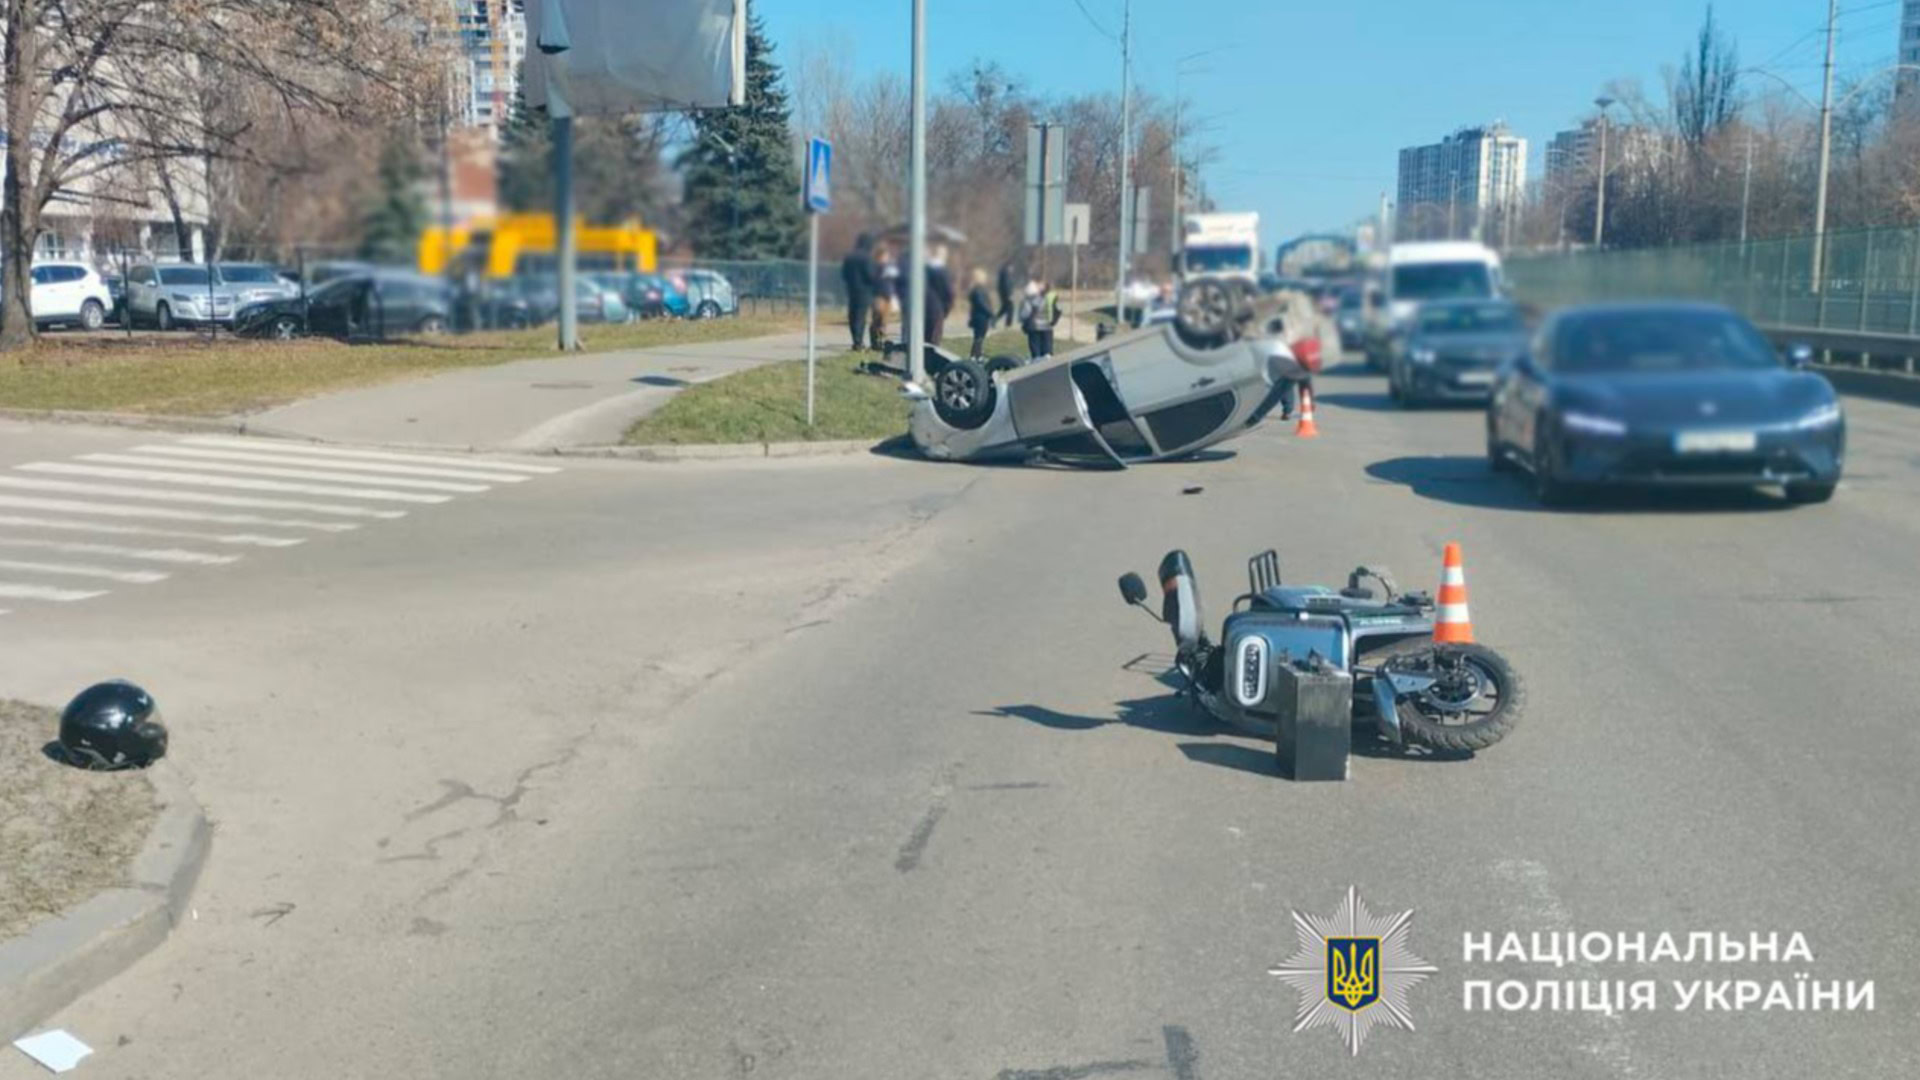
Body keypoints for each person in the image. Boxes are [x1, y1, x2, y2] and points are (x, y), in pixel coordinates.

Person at [840, 233, 878, 351]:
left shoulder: (849, 257)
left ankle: (855, 340)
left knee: (852, 315)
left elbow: (844, 274)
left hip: (851, 289)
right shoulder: (867, 258)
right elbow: (870, 275)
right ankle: (859, 342)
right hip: (865, 291)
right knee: (861, 316)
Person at [924, 243, 955, 347]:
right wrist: (946, 309)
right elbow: (949, 293)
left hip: (922, 308)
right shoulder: (942, 272)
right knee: (934, 339)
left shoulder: (923, 269)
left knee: (924, 337)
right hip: (937, 307)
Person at [966, 267, 995, 358]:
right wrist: (990, 313)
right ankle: (975, 355)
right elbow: (981, 303)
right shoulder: (978, 290)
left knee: (979, 337)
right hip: (980, 316)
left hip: (980, 316)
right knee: (979, 337)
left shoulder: (977, 289)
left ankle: (977, 354)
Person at [996, 261, 1016, 328]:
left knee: (1004, 308)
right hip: (1006, 294)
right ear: (1009, 267)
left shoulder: (1005, 273)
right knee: (1011, 308)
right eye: (1012, 267)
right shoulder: (1006, 273)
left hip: (1004, 294)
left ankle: (994, 320)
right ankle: (1008, 324)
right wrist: (1009, 295)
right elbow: (1006, 285)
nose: (1013, 269)